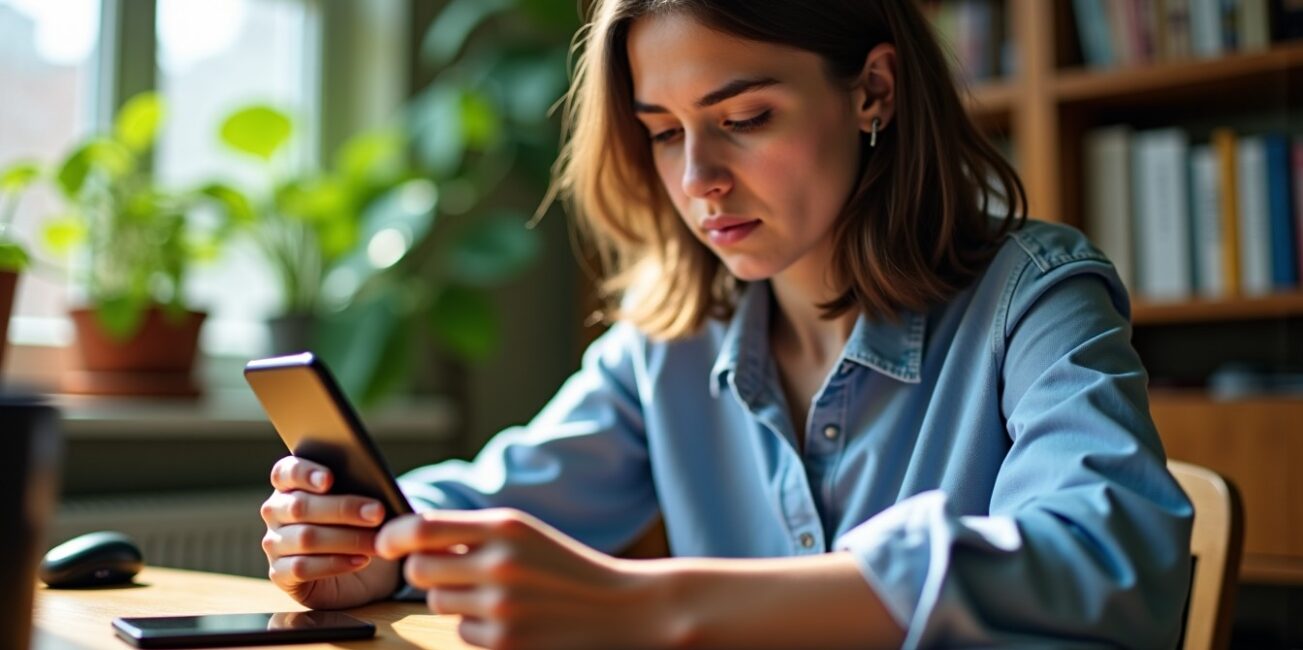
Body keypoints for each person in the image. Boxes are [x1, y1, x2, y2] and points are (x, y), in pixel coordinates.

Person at [258, 1, 1193, 648]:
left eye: (742, 116)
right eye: (664, 131)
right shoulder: (666, 343)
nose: (696, 179)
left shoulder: (1033, 295)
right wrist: (371, 543)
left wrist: (651, 606)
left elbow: (1106, 561)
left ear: (873, 90)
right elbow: (502, 495)